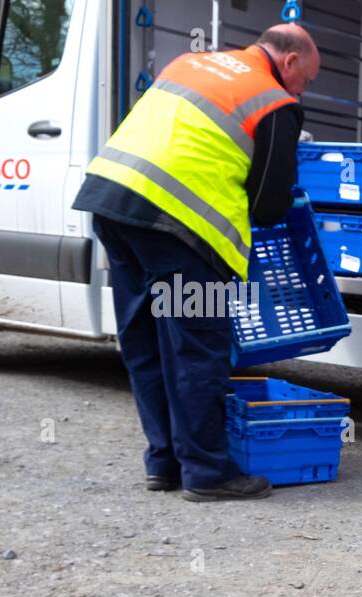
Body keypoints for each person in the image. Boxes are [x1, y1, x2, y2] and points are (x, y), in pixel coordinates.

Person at [72, 24, 320, 501]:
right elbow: (270, 204)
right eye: (305, 80)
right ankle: (208, 472)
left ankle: (164, 463)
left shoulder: (190, 63)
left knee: (145, 339)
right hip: (181, 232)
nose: (301, 89)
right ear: (289, 63)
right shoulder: (274, 102)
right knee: (196, 347)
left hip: (113, 204)